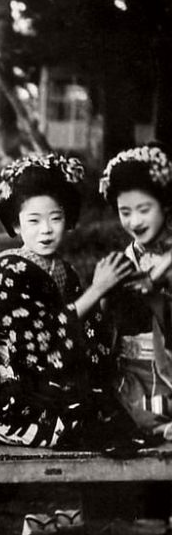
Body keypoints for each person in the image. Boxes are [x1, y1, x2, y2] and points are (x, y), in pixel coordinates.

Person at [0, 153, 137, 448]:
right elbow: (38, 337)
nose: (45, 230)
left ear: (67, 219)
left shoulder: (64, 269)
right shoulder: (13, 270)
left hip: (62, 373)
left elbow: (88, 326)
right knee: (68, 423)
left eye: (55, 218)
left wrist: (104, 296)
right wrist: (95, 291)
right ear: (16, 225)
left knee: (106, 412)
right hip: (25, 376)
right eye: (33, 220)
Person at [99, 143, 172, 437]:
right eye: (124, 211)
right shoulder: (125, 259)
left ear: (166, 206)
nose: (135, 221)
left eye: (144, 210)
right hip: (134, 369)